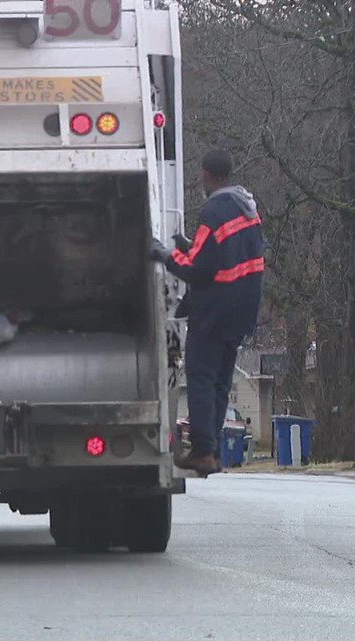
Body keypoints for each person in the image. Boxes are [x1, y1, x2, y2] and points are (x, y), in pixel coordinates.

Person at [149, 149, 263, 476]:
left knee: (200, 379)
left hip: (215, 310)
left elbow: (199, 270)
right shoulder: (246, 207)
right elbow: (225, 254)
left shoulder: (214, 209)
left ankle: (203, 451)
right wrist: (188, 246)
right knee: (219, 383)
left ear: (206, 174)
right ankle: (212, 454)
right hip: (242, 309)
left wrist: (165, 255)